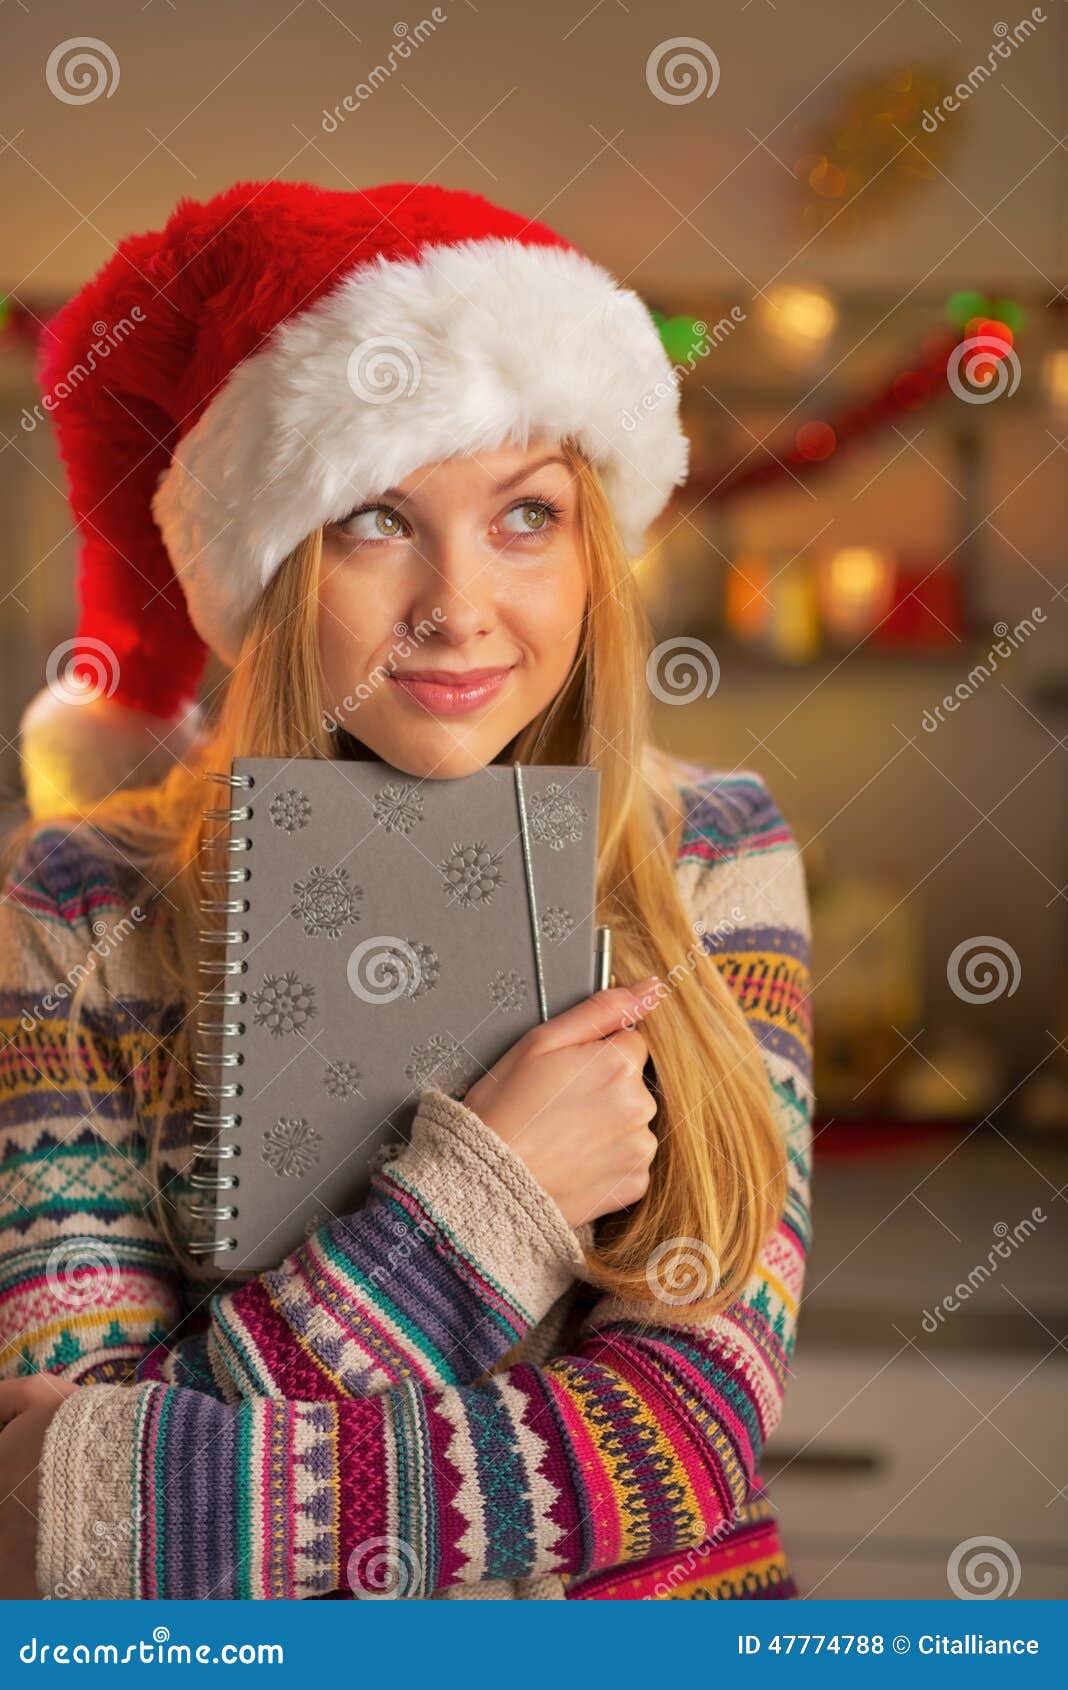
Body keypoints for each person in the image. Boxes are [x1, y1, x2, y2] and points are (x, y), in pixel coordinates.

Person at [0, 180, 812, 1601]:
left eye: (527, 515)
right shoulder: (73, 904)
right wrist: (491, 1200)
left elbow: (682, 1437)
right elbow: (52, 1528)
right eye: (377, 519)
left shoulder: (712, 855)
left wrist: (157, 1475)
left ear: (591, 553)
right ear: (269, 570)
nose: (456, 602)